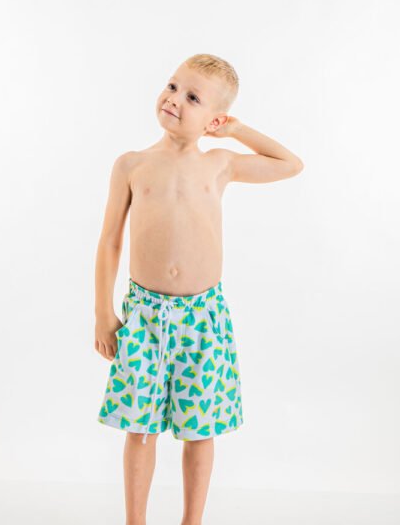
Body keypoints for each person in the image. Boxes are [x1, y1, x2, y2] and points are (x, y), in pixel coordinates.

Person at [95, 53, 304, 525]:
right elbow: (109, 241)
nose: (174, 99)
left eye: (192, 97)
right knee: (139, 427)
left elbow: (291, 164)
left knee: (199, 430)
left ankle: (192, 521)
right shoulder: (131, 165)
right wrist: (103, 313)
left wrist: (236, 130)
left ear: (213, 119)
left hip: (202, 320)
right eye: (172, 86)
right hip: (144, 318)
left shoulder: (220, 164)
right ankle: (134, 521)